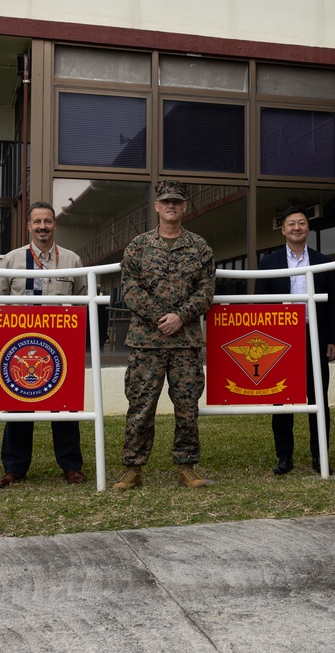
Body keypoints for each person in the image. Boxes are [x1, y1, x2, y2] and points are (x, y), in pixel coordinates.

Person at [113, 179, 216, 490]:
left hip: (185, 344)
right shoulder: (138, 246)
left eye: (177, 202)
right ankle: (133, 469)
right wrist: (162, 317)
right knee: (141, 407)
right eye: (166, 201)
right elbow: (129, 288)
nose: (171, 206)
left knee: (187, 407)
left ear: (184, 207)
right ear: (156, 206)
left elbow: (207, 290)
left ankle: (187, 467)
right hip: (147, 343)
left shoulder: (199, 247)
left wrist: (181, 316)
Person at [0, 201, 88, 488]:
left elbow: (83, 300)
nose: (43, 226)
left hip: (60, 346)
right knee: (19, 407)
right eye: (37, 222)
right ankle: (15, 468)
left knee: (65, 406)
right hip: (22, 346)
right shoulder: (11, 260)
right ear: (29, 226)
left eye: (47, 221)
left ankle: (71, 467)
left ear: (54, 224)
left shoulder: (72, 260)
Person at [255, 205, 335, 475]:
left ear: (308, 228)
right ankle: (284, 457)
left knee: (318, 398)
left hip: (314, 335)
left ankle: (320, 456)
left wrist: (333, 340)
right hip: (279, 339)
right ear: (283, 230)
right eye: (291, 223)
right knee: (281, 400)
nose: (296, 227)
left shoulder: (322, 261)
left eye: (301, 223)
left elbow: (333, 303)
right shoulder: (269, 262)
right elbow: (260, 305)